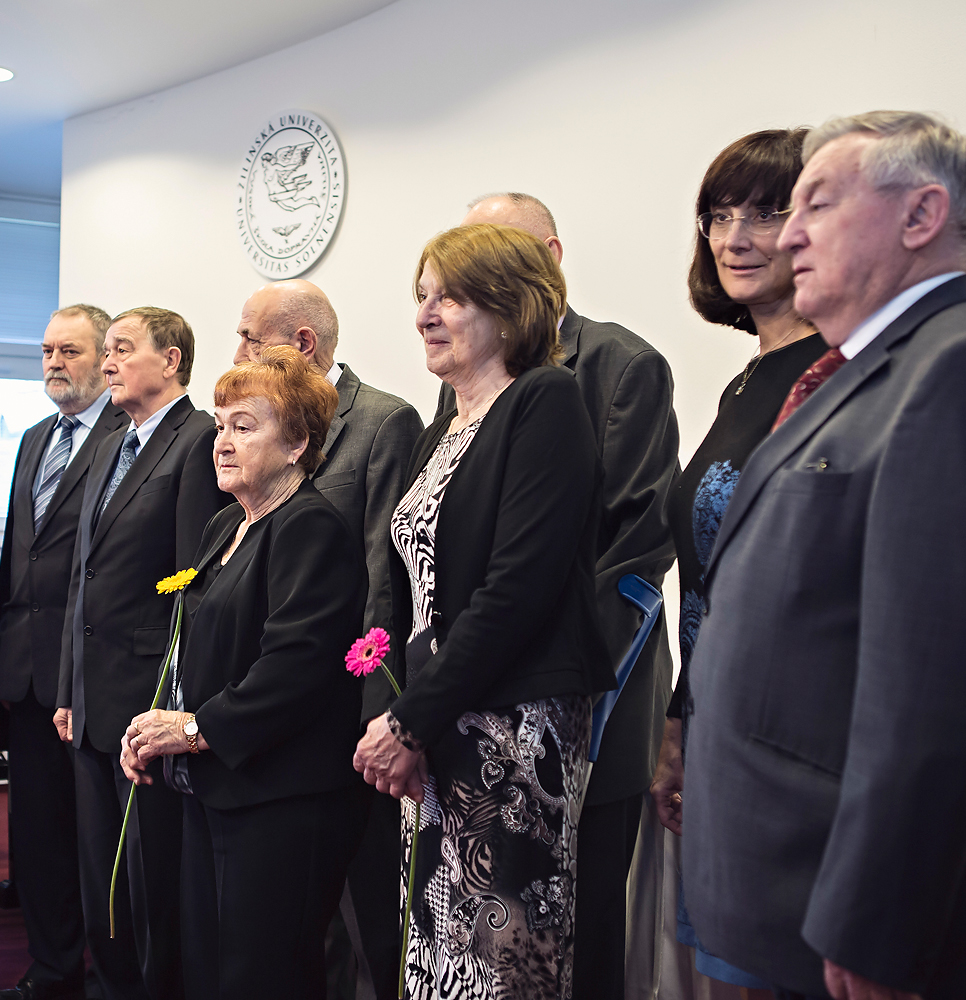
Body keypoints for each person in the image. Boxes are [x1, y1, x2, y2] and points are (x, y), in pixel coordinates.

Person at [684, 111, 966, 1000]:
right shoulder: (859, 373)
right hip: (795, 890)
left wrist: (877, 926)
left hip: (871, 925)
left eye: (816, 204)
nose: (790, 235)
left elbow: (944, 686)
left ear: (921, 215)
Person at [355, 224, 611, 998]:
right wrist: (411, 718)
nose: (426, 315)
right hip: (440, 725)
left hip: (511, 727)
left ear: (510, 307)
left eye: (451, 298)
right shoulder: (445, 428)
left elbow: (517, 589)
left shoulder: (544, 400)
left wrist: (409, 721)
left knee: (499, 967)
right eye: (422, 297)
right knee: (436, 957)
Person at [442, 192, 680, 1000]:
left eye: (498, 253)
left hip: (581, 705)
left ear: (549, 257)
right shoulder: (468, 381)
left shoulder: (622, 366)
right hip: (478, 706)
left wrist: (541, 685)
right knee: (492, 947)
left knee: (579, 943)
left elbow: (634, 555)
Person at [120, 345, 369, 999]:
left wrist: (191, 730)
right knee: (209, 971)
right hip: (219, 787)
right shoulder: (227, 523)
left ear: (297, 444)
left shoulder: (310, 527)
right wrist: (155, 726)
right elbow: (198, 644)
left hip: (282, 799)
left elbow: (295, 668)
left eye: (244, 426)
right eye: (220, 424)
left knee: (262, 978)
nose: (222, 442)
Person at [647, 128, 825, 996]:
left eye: (764, 213)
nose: (735, 238)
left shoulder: (835, 374)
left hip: (789, 748)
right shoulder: (748, 381)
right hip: (715, 729)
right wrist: (679, 725)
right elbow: (706, 586)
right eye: (718, 216)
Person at [231, 279, 423, 997]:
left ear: (302, 343)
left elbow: (384, 575)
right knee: (305, 923)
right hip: (282, 711)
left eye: (251, 338)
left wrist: (378, 710)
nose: (239, 352)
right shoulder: (255, 431)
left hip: (351, 710)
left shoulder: (382, 421)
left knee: (371, 912)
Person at [54, 306, 226, 1000]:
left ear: (172, 360)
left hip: (148, 701)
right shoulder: (108, 444)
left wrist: (173, 706)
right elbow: (83, 576)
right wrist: (68, 688)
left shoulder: (198, 438)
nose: (108, 363)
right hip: (91, 699)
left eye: (123, 349)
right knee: (102, 876)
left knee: (151, 881)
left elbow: (194, 583)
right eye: (107, 351)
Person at [0, 304, 126, 1000]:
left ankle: (111, 975)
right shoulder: (35, 437)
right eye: (46, 350)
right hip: (27, 669)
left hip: (93, 671)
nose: (53, 363)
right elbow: (20, 553)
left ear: (104, 358)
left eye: (69, 350)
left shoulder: (127, 434)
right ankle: (51, 971)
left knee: (98, 843)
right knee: (37, 837)